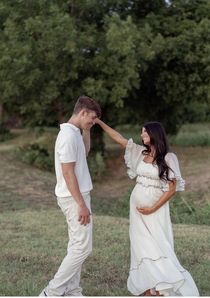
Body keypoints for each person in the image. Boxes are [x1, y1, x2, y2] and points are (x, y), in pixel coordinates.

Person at [95, 119, 199, 296]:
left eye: (144, 132)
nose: (141, 135)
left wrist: (152, 208)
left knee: (157, 245)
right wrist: (99, 122)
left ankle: (163, 284)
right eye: (142, 132)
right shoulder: (139, 152)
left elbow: (172, 189)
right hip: (136, 211)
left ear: (154, 134)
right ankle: (150, 286)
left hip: (155, 210)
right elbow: (119, 139)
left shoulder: (168, 158)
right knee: (141, 246)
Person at [39, 96, 101, 296]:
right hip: (74, 199)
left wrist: (87, 130)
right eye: (91, 118)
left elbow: (84, 152)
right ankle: (53, 291)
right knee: (83, 248)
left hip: (79, 197)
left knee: (77, 246)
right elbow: (68, 172)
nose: (93, 122)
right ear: (82, 112)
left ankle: (72, 290)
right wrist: (81, 205)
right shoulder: (66, 136)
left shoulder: (74, 132)